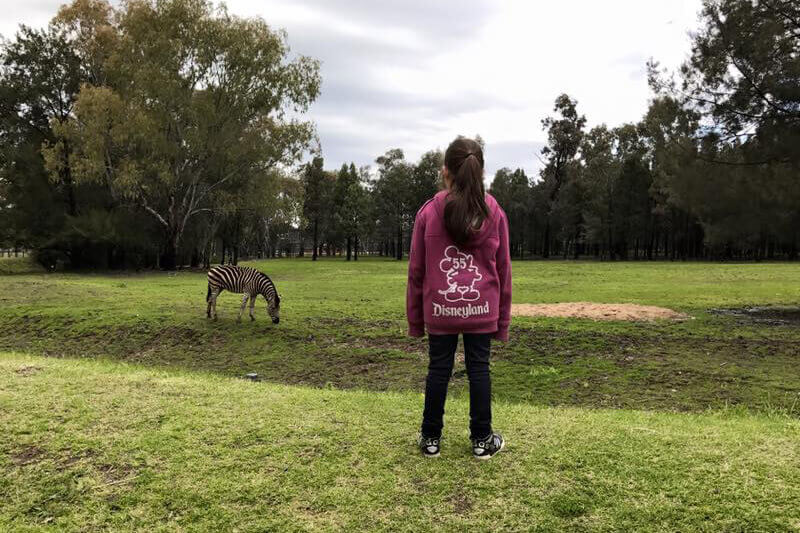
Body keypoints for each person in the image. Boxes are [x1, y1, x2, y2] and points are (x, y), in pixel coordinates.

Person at [406, 137, 512, 460]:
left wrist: (416, 322)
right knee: (479, 369)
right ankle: (482, 440)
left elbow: (416, 271)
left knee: (439, 369)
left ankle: (430, 439)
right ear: (479, 172)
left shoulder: (428, 213)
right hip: (482, 310)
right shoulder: (494, 212)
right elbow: (504, 270)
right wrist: (502, 321)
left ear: (445, 172)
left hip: (440, 310)